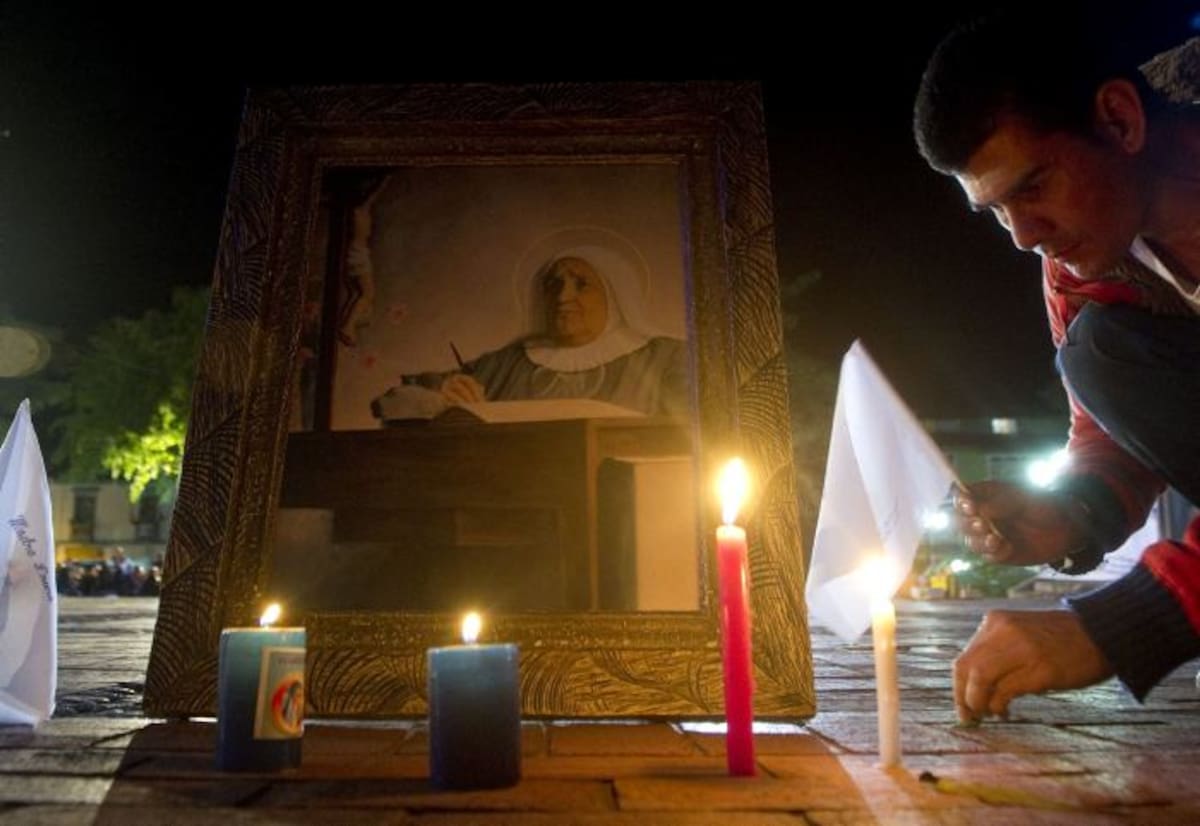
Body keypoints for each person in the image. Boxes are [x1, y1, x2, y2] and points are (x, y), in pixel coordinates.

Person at [913, 10, 1200, 722]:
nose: (1021, 237)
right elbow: (1113, 434)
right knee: (1100, 358)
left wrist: (1125, 622)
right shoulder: (1085, 271)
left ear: (1119, 119)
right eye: (997, 210)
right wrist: (1073, 512)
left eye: (1032, 186)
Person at [374, 247, 690, 419]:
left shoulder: (666, 358)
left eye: (581, 285)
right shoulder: (506, 363)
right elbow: (396, 401)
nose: (563, 297)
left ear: (617, 294)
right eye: (554, 285)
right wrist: (447, 396)